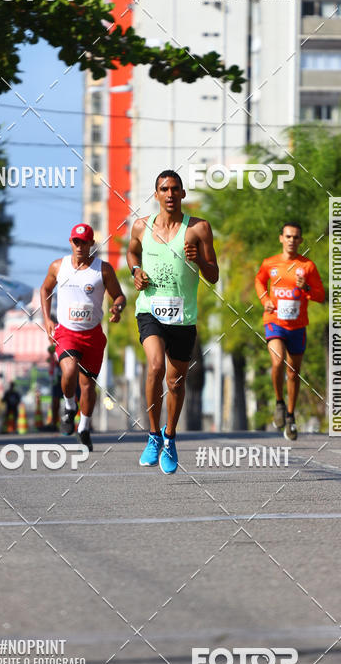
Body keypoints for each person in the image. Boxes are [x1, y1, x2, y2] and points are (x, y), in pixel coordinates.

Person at [127, 170, 219, 474]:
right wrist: (136, 271)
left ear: (182, 194)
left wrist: (200, 261)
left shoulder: (199, 229)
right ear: (156, 195)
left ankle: (170, 436)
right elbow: (131, 253)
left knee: (175, 382)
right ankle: (153, 435)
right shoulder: (141, 226)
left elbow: (213, 275)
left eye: (174, 189)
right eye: (163, 189)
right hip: (149, 310)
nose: (169, 194)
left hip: (183, 316)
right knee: (155, 366)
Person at [40, 223, 126, 452]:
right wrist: (47, 319)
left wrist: (118, 308)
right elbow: (45, 290)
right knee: (69, 371)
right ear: (71, 242)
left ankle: (84, 428)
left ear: (91, 244)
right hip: (67, 332)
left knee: (88, 387)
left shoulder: (103, 270)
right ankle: (69, 408)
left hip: (93, 335)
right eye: (76, 242)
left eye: (84, 242)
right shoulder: (59, 266)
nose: (80, 246)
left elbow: (119, 296)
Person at [255, 222, 325, 441]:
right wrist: (264, 299)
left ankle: (291, 416)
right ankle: (279, 402)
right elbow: (259, 280)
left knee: (293, 373)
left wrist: (305, 288)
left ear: (301, 241)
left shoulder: (308, 267)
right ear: (281, 238)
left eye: (296, 237)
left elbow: (321, 296)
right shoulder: (270, 263)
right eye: (288, 236)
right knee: (277, 362)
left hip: (297, 325)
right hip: (274, 321)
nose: (292, 240)